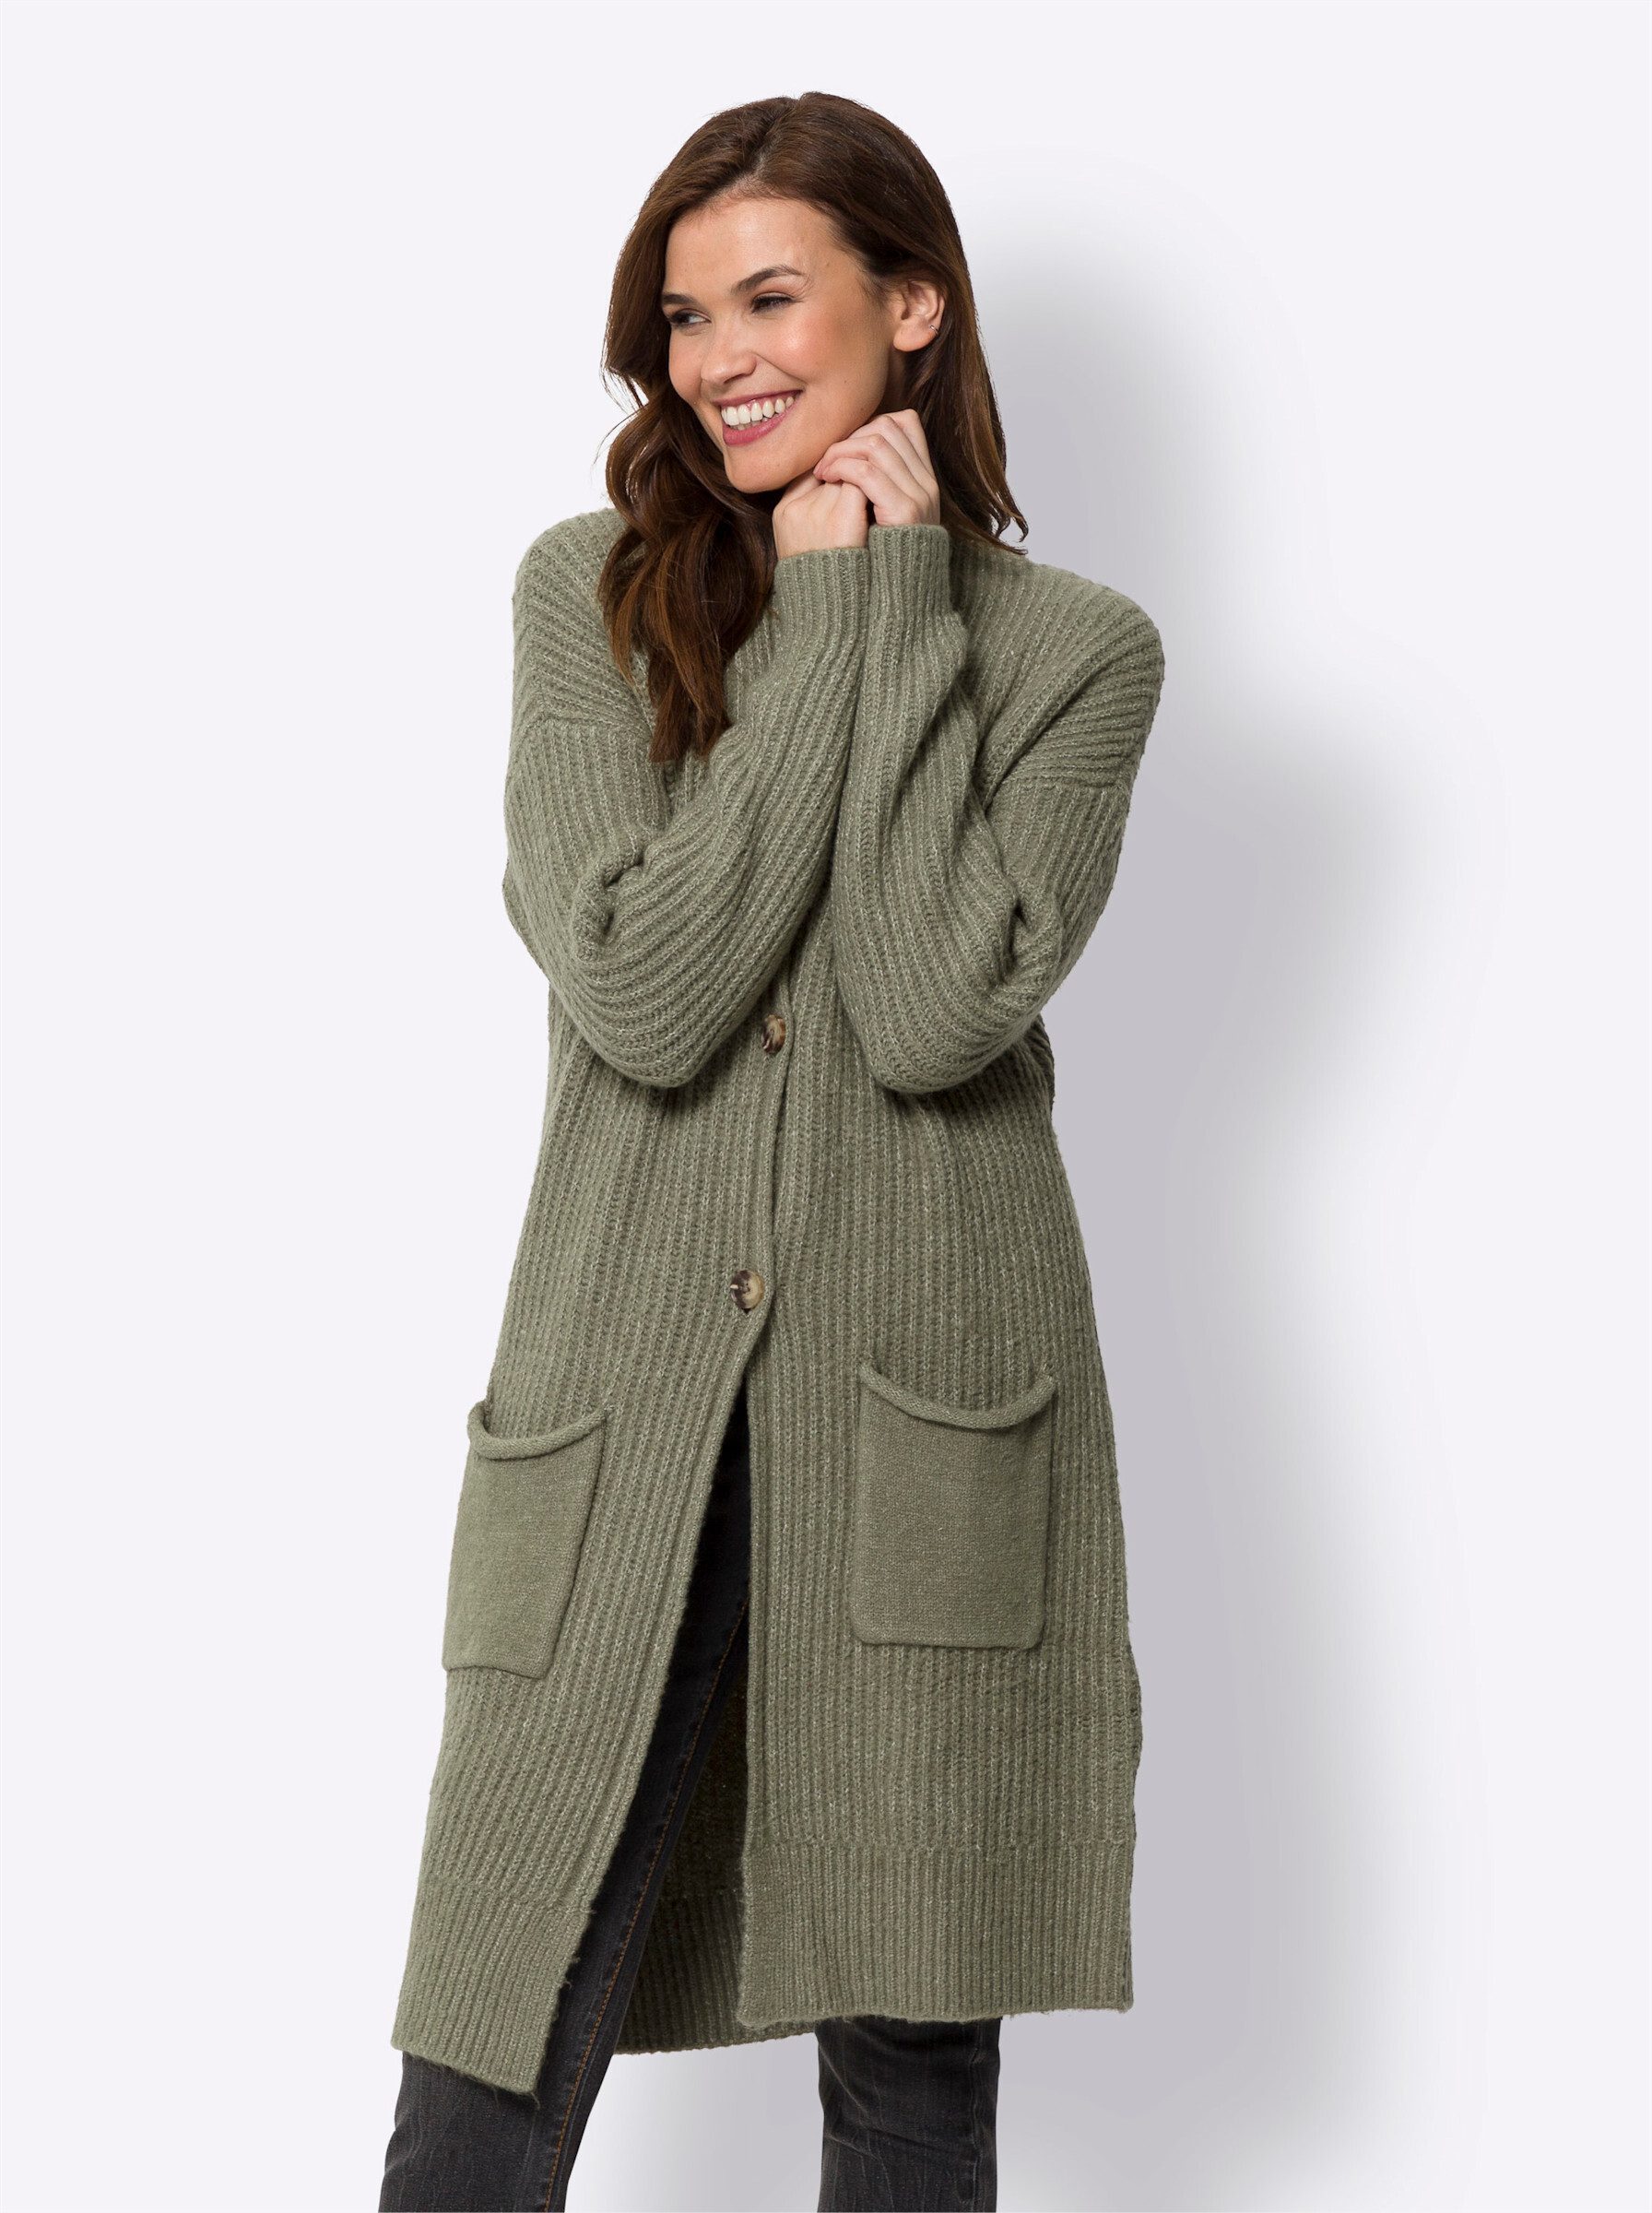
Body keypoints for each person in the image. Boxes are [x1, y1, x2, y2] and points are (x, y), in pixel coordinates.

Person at [381, 88, 1164, 2213]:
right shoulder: (591, 599)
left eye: (765, 298)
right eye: (681, 315)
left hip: (922, 1429)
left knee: (908, 2058)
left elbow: (926, 1008)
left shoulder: (1074, 654)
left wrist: (883, 608)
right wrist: (818, 634)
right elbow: (642, 992)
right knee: (494, 2033)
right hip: (618, 1416)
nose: (714, 357)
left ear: (909, 309)